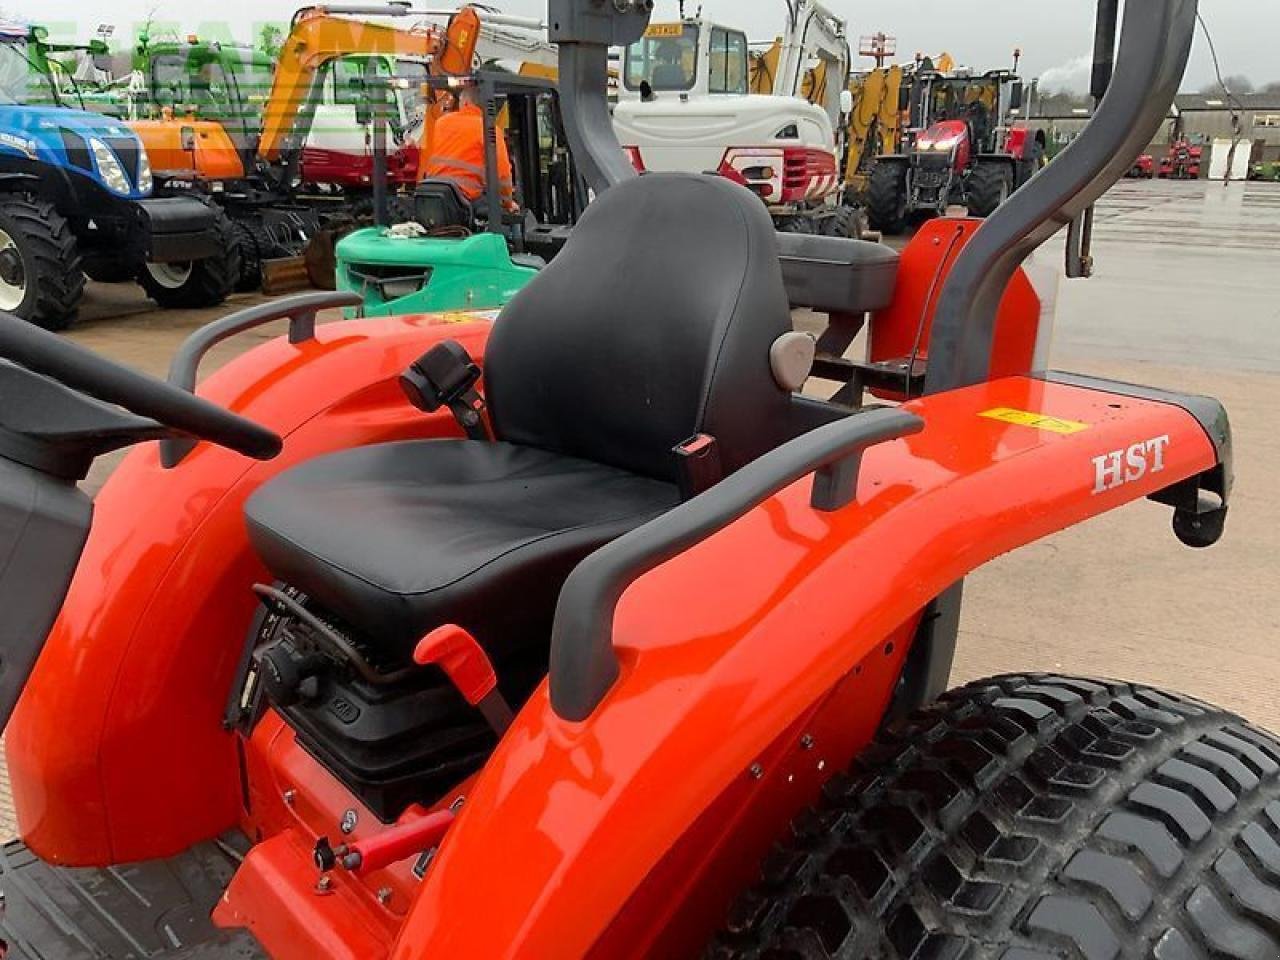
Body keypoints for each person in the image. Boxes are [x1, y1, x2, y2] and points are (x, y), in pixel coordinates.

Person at [422, 84, 516, 216]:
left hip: (432, 196)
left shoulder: (441, 123)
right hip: (465, 203)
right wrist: (508, 204)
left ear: (465, 103)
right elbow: (502, 176)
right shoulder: (490, 130)